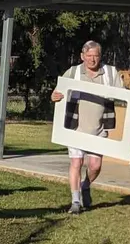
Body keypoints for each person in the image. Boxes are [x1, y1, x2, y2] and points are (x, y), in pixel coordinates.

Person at [51, 41, 124, 214]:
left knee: (95, 166)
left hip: (99, 128)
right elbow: (57, 92)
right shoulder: (74, 72)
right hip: (75, 127)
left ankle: (86, 186)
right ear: (82, 56)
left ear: (100, 56)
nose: (92, 59)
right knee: (76, 162)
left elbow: (123, 95)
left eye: (96, 56)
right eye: (89, 56)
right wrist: (54, 96)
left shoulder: (110, 73)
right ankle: (75, 201)